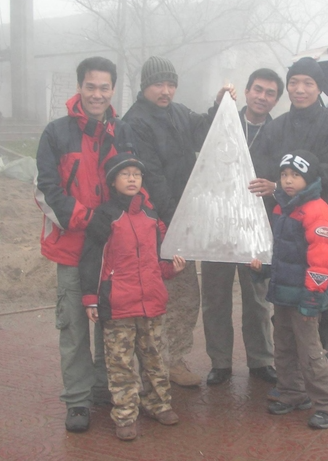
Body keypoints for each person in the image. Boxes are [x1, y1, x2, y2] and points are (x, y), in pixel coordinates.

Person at [35, 56, 136, 433]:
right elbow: (45, 191)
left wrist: (107, 218)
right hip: (73, 248)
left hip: (113, 248)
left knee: (111, 322)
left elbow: (132, 181)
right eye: (90, 86)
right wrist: (87, 219)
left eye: (104, 87)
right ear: (79, 87)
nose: (97, 94)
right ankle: (77, 400)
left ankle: (103, 385)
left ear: (113, 90)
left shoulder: (123, 132)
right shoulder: (56, 133)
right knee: (75, 326)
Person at [122, 56, 236, 387]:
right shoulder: (136, 123)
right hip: (155, 223)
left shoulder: (178, 112)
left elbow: (203, 132)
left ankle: (173, 359)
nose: (166, 91)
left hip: (181, 219)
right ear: (145, 86)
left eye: (171, 84)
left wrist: (218, 106)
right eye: (159, 84)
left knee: (185, 296)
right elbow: (152, 177)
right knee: (161, 295)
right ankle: (156, 363)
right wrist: (174, 221)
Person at [249, 57, 328, 396]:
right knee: (283, 313)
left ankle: (326, 378)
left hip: (326, 229)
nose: (299, 89)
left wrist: (281, 185)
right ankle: (291, 383)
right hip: (285, 236)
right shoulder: (276, 128)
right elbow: (264, 172)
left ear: (319, 86)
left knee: (326, 309)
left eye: (308, 82)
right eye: (294, 82)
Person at [79, 153, 186, 441]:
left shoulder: (152, 217)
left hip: (151, 302)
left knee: (154, 359)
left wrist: (171, 269)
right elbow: (90, 259)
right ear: (113, 182)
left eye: (136, 175)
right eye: (125, 174)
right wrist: (90, 297)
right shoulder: (105, 216)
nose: (131, 179)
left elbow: (160, 260)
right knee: (120, 364)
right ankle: (125, 415)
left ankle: (158, 404)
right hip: (118, 305)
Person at [201, 68, 283, 385]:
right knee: (215, 297)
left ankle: (261, 361)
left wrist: (274, 186)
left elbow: (290, 176)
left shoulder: (280, 133)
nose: (262, 97)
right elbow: (202, 142)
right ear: (246, 92)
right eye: (257, 90)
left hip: (256, 226)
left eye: (270, 93)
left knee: (258, 299)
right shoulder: (223, 122)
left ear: (276, 100)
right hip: (218, 224)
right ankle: (220, 362)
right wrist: (217, 103)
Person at [250, 150, 328, 429]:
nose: (288, 180)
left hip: (305, 297)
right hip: (284, 294)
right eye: (284, 175)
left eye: (296, 175)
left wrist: (313, 296)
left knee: (310, 351)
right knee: (284, 346)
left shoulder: (318, 211)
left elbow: (323, 259)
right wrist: (265, 269)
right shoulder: (283, 206)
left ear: (310, 178)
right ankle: (293, 393)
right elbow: (282, 253)